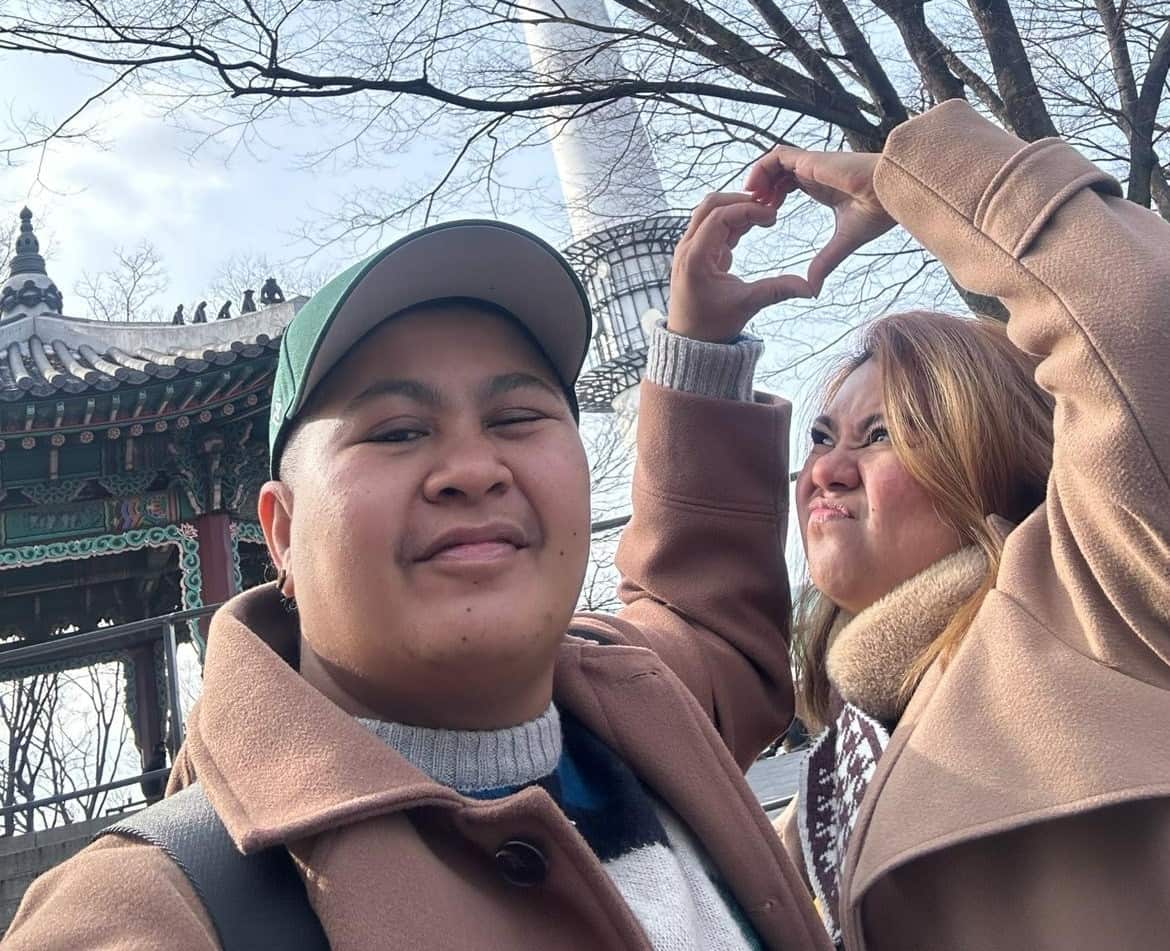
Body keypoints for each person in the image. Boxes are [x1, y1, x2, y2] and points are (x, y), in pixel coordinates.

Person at [4, 220, 830, 950]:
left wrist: (702, 358)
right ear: (281, 532)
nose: (473, 469)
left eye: (517, 419)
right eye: (397, 431)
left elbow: (704, 614)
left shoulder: (643, 700)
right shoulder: (149, 910)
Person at [676, 100, 1170, 948]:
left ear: (990, 454)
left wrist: (911, 179)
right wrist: (700, 357)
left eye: (882, 436)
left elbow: (1136, 322)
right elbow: (684, 630)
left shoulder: (1104, 592)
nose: (825, 468)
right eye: (822, 437)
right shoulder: (827, 790)